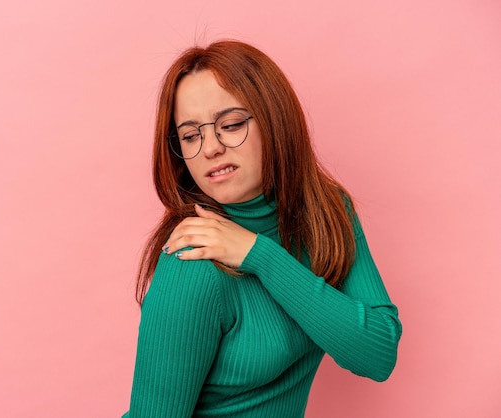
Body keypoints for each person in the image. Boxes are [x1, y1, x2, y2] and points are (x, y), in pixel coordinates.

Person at [123, 40, 402, 418]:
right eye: (190, 136)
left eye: (231, 124)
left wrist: (261, 256)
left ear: (274, 119)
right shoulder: (192, 260)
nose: (211, 148)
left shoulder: (328, 213)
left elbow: (378, 354)